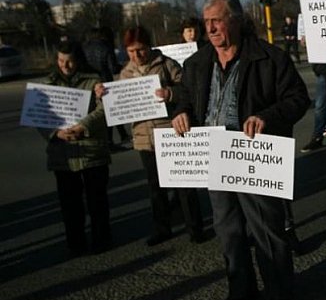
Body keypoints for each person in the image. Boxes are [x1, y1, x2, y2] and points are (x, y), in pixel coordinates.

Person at [171, 0, 310, 300]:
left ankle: (280, 298)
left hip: (253, 156)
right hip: (213, 158)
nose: (210, 28)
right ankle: (241, 290)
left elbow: (298, 99)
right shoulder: (197, 62)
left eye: (216, 20)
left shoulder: (269, 58)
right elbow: (185, 97)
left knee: (266, 229)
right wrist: (181, 111)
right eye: (206, 22)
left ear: (235, 19)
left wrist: (267, 117)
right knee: (227, 229)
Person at [96, 26, 206, 246]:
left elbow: (188, 89)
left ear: (149, 46)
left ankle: (195, 229)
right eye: (131, 51)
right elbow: (114, 106)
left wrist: (170, 93)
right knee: (155, 188)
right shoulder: (125, 73)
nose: (137, 55)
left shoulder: (166, 64)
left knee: (184, 185)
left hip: (171, 133)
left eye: (141, 49)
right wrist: (102, 96)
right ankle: (162, 228)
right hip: (144, 138)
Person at [40, 41, 112, 256]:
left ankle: (102, 239)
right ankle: (76, 242)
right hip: (64, 155)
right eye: (61, 61)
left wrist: (84, 126)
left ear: (78, 60)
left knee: (97, 200)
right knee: (70, 204)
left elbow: (104, 109)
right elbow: (40, 117)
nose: (66, 65)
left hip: (92, 152)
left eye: (70, 60)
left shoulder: (94, 81)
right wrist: (56, 133)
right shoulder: (47, 85)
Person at [83, 27, 130, 149]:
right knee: (110, 112)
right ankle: (110, 141)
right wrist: (124, 67)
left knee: (96, 112)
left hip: (88, 83)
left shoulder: (84, 47)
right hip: (105, 82)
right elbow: (113, 67)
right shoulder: (106, 46)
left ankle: (117, 136)